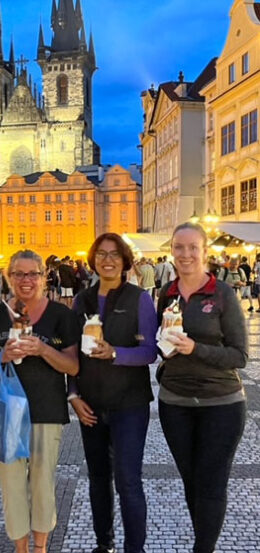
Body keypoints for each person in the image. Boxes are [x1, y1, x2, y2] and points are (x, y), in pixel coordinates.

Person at [0, 249, 80, 553]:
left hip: (46, 409)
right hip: (5, 411)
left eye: (33, 274)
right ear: (9, 277)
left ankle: (40, 548)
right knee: (11, 486)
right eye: (19, 274)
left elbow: (73, 367)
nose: (26, 280)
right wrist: (3, 356)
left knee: (42, 483)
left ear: (44, 276)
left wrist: (42, 350)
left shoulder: (61, 314)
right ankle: (20, 548)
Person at [157, 222, 247, 553]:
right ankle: (203, 543)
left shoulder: (222, 294)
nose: (186, 254)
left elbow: (240, 356)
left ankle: (202, 549)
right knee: (192, 481)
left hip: (221, 403)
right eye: (179, 247)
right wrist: (163, 349)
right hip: (175, 402)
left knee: (211, 483)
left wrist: (196, 349)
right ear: (172, 251)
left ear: (204, 251)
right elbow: (161, 342)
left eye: (193, 247)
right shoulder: (166, 293)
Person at [69, 233, 158, 553]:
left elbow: (149, 351)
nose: (107, 260)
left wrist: (116, 353)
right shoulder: (82, 299)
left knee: (128, 481)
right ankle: (103, 543)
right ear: (93, 259)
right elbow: (73, 354)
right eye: (102, 254)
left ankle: (135, 549)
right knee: (98, 479)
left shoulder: (139, 298)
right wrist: (73, 395)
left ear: (125, 261)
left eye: (115, 255)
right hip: (90, 404)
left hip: (129, 404)